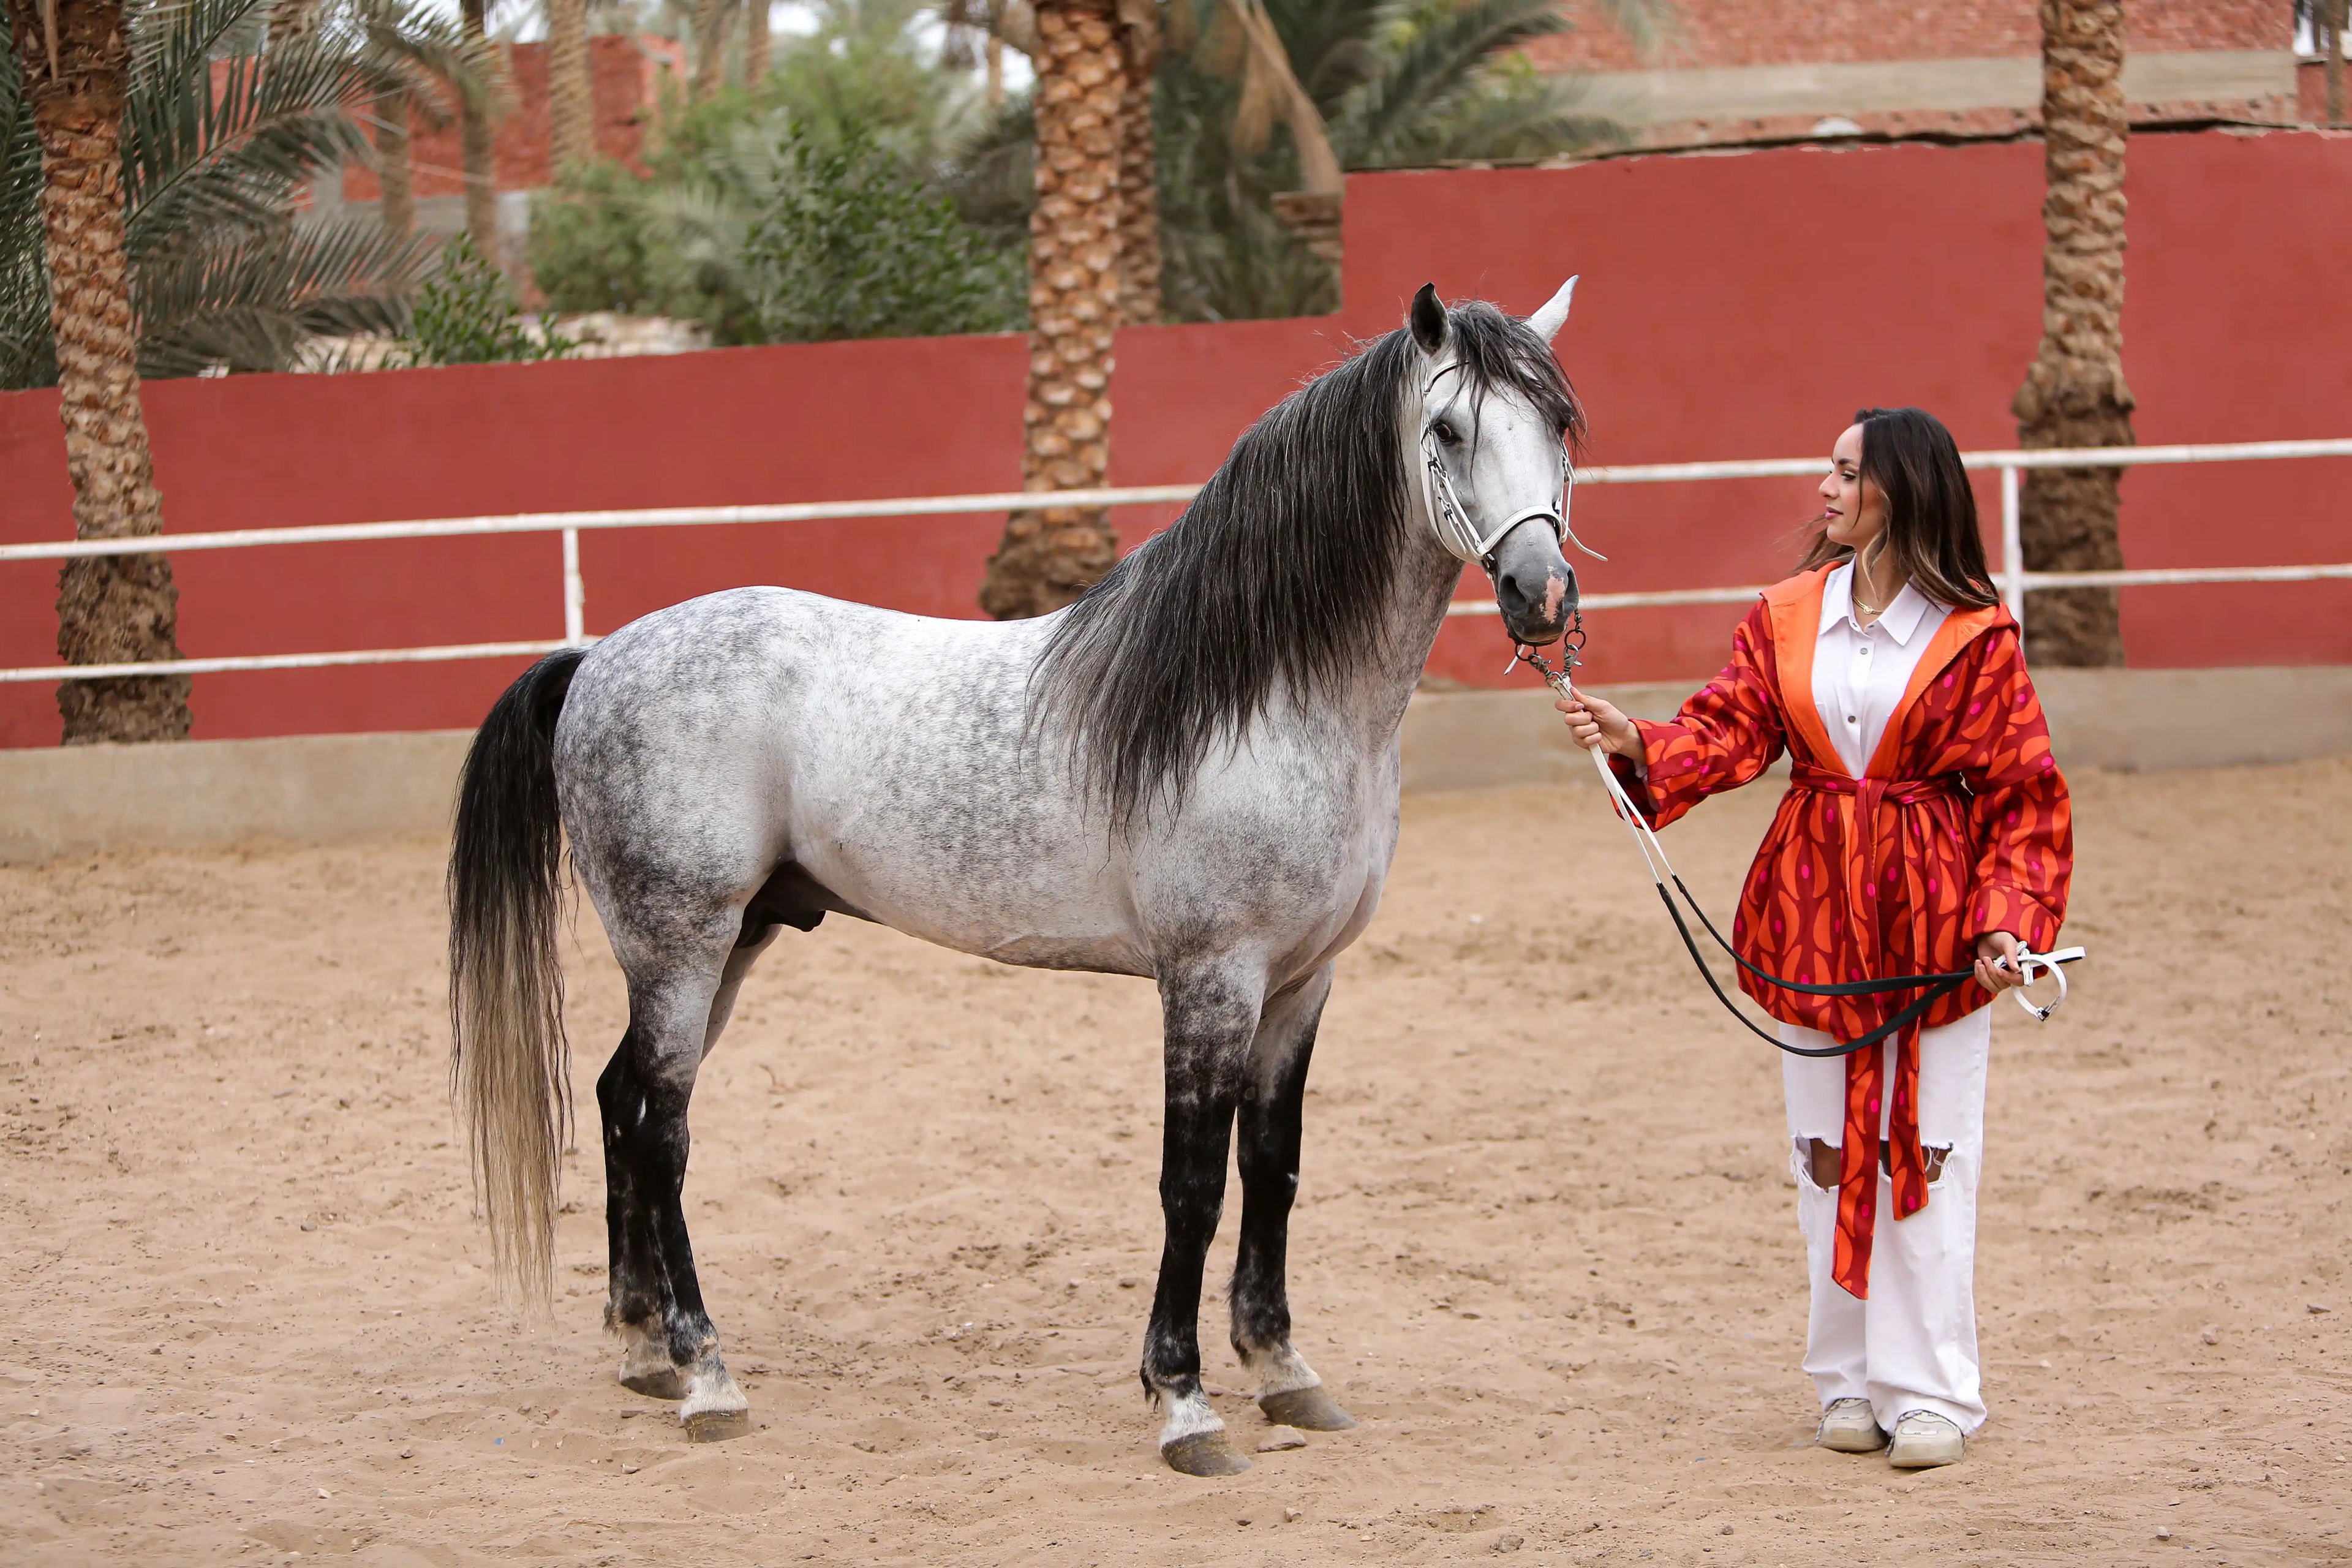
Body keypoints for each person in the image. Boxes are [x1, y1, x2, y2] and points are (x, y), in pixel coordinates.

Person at [1557, 407, 2072, 1470]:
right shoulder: (1789, 615)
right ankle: (1845, 1380)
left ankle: (1930, 1392)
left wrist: (2007, 927)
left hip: (1933, 927)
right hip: (1812, 914)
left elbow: (2024, 797)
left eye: (1848, 472)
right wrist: (1636, 741)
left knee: (1926, 1150)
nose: (1825, 489)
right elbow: (1732, 727)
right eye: (1830, 470)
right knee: (1828, 1156)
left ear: (1905, 490)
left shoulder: (1976, 635)